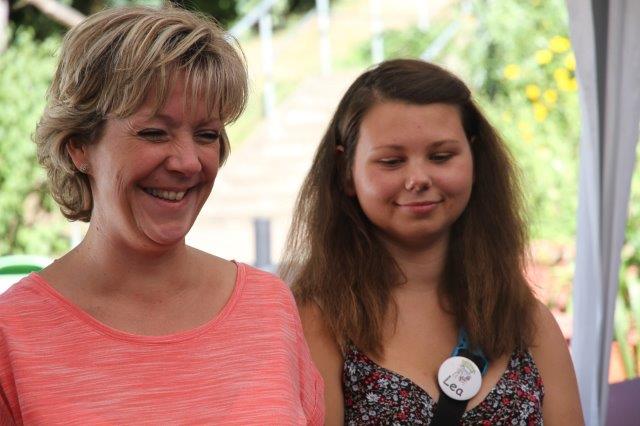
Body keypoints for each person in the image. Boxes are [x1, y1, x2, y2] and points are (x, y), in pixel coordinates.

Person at [0, 6, 323, 424]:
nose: (188, 162)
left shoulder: (269, 308)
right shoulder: (13, 333)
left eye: (206, 135)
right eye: (154, 133)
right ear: (78, 146)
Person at [280, 59, 583, 424]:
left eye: (441, 157)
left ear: (474, 160)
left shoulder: (529, 322)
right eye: (392, 161)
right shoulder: (317, 322)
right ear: (346, 171)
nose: (418, 178)